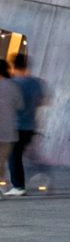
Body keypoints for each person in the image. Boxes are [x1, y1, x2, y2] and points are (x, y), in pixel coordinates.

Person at [5, 52, 44, 196]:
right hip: (30, 125)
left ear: (13, 66)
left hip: (16, 126)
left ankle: (18, 186)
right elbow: (41, 101)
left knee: (14, 157)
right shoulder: (35, 83)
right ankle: (40, 174)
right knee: (21, 155)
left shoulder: (12, 83)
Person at [0, 62, 19, 200]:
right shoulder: (12, 86)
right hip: (8, 132)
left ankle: (2, 186)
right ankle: (2, 186)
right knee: (2, 161)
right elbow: (20, 105)